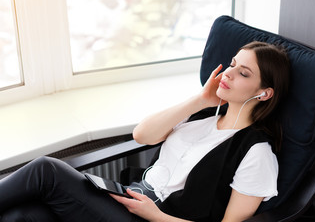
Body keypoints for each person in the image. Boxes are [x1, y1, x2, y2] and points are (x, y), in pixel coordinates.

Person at [0, 41, 290, 222]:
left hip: (153, 218)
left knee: (46, 171)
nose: (227, 73)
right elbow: (142, 135)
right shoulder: (202, 115)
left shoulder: (257, 153)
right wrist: (200, 100)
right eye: (232, 64)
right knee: (22, 216)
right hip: (129, 199)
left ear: (264, 94)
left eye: (243, 73)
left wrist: (157, 216)